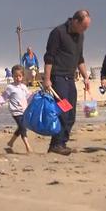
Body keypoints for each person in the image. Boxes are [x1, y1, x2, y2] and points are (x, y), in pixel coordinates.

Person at [42, 10, 91, 156]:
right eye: (83, 27)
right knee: (63, 111)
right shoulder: (58, 32)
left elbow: (79, 58)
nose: (84, 30)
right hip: (58, 78)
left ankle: (60, 143)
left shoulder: (80, 35)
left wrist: (85, 77)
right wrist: (47, 79)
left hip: (70, 79)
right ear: (75, 21)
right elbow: (49, 57)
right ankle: (57, 144)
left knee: (71, 114)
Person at [0, 65, 33, 153]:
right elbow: (4, 97)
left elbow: (29, 97)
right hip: (15, 111)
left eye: (19, 76)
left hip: (24, 110)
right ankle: (28, 147)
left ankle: (11, 142)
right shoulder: (10, 87)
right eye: (15, 76)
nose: (17, 78)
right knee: (23, 127)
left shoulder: (24, 87)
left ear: (22, 77)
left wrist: (35, 96)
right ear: (12, 76)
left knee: (21, 127)